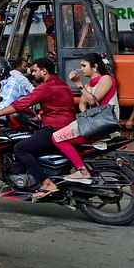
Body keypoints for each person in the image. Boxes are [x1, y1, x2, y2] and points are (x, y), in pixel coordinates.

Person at [0, 57, 76, 200]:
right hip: (66, 126)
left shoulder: (46, 87)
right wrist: (40, 115)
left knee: (20, 148)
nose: (32, 74)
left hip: (54, 129)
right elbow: (59, 105)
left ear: (44, 71)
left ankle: (46, 183)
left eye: (35, 70)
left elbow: (21, 104)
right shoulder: (62, 85)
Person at [51, 52, 119, 183]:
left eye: (84, 65)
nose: (81, 69)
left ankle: (82, 170)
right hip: (94, 123)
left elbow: (93, 100)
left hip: (103, 124)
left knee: (57, 138)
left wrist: (78, 83)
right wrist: (86, 116)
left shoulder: (106, 79)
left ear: (95, 66)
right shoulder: (89, 85)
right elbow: (82, 103)